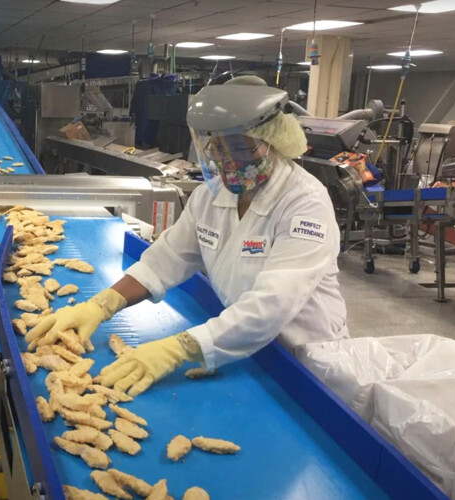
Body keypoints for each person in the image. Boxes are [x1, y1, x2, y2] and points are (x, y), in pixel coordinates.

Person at [26, 76, 348, 396]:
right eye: (217, 146)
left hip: (302, 361)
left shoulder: (304, 204)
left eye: (238, 146)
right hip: (239, 348)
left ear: (273, 141)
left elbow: (272, 304)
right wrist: (100, 305)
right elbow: (166, 259)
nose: (225, 159)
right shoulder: (210, 198)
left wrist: (178, 348)